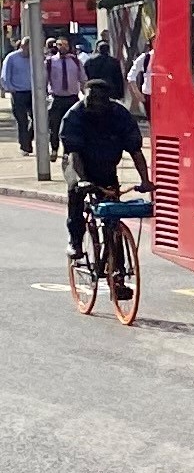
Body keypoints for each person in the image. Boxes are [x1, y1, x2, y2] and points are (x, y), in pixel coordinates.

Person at [62, 79, 152, 298]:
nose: (94, 105)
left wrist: (145, 181)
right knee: (76, 193)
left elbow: (135, 150)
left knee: (112, 220)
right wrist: (82, 181)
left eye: (99, 101)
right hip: (79, 166)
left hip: (107, 168)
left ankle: (118, 276)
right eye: (90, 100)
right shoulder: (74, 116)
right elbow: (73, 155)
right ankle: (75, 241)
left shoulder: (120, 116)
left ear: (108, 101)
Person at [45, 37, 87, 161]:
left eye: (65, 44)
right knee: (54, 126)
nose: (62, 47)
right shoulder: (50, 62)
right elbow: (44, 80)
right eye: (60, 44)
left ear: (69, 46)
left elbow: (83, 79)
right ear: (56, 46)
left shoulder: (76, 61)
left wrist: (85, 95)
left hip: (72, 98)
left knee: (71, 127)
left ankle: (67, 152)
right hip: (56, 98)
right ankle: (54, 149)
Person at [3, 38, 35, 155]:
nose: (28, 50)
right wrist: (10, 88)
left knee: (37, 119)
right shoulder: (12, 58)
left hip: (33, 92)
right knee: (22, 121)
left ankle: (27, 140)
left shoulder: (35, 58)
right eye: (26, 47)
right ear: (22, 46)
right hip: (18, 93)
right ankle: (25, 146)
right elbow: (5, 75)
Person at [128, 37, 155, 122]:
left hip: (166, 95)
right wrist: (137, 93)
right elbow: (131, 76)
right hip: (149, 95)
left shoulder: (169, 57)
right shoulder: (145, 57)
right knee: (152, 120)